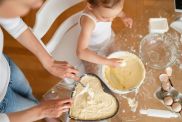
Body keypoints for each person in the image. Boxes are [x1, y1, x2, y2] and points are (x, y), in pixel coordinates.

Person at [0, 0, 79, 121]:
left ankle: (37, 103)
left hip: (6, 66)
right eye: (26, 4)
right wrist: (40, 112)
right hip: (4, 108)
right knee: (31, 106)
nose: (38, 5)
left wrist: (50, 62)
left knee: (28, 93)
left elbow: (15, 25)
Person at [76, 0, 133, 72]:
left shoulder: (107, 10)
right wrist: (108, 62)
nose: (111, 20)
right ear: (90, 6)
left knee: (118, 56)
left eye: (114, 16)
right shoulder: (88, 22)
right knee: (92, 71)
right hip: (91, 50)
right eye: (105, 17)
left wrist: (124, 16)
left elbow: (116, 12)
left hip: (108, 39)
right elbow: (81, 52)